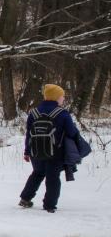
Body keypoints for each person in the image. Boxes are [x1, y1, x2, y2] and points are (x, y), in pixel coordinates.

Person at [18, 84, 83, 214]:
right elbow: (71, 132)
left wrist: (27, 151)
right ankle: (49, 205)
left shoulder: (33, 112)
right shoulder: (62, 113)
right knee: (53, 177)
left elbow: (29, 134)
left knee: (37, 173)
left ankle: (25, 199)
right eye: (62, 96)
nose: (63, 98)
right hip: (56, 152)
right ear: (56, 97)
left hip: (35, 151)